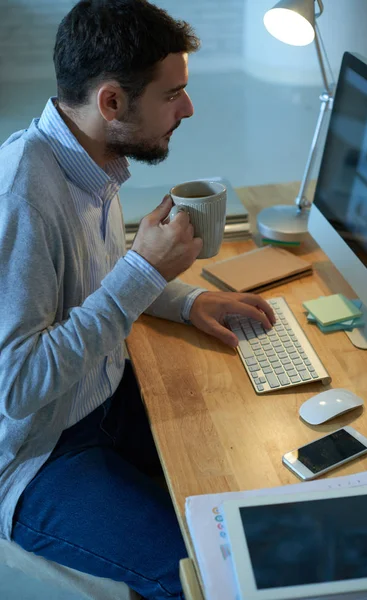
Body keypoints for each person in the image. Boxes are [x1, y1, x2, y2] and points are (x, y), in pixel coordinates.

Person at [0, 1, 275, 598]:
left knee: (251, 481)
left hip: (100, 397)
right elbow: (17, 387)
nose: (189, 108)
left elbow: (101, 279)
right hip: (36, 456)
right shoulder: (23, 194)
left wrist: (182, 299)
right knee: (214, 577)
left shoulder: (94, 159)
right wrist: (143, 272)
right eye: (172, 94)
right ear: (111, 102)